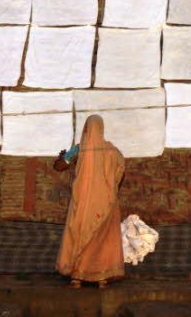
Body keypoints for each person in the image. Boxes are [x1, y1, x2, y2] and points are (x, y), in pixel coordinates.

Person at [54, 115, 125, 288]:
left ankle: (76, 278)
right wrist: (111, 193)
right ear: (102, 129)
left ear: (85, 129)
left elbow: (59, 166)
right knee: (103, 237)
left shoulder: (79, 149)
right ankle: (101, 278)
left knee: (79, 231)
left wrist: (62, 157)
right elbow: (121, 174)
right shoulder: (113, 151)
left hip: (83, 201)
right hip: (105, 201)